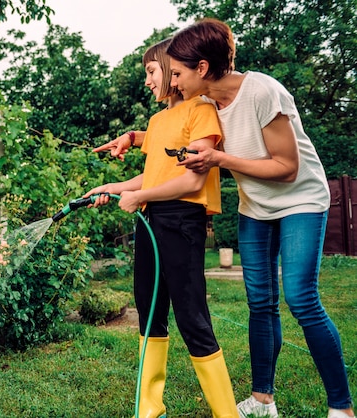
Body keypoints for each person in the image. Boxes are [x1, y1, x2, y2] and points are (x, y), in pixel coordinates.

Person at [96, 18, 355, 418]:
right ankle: (263, 399)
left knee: (300, 298)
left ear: (202, 69)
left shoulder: (264, 91)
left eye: (177, 72)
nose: (173, 81)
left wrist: (218, 159)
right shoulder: (206, 103)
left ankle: (341, 406)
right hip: (256, 205)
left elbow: (287, 167)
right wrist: (133, 138)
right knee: (260, 303)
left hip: (301, 199)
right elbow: (175, 134)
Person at [86, 38, 239, 418]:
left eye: (152, 72)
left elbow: (191, 182)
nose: (149, 81)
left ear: (174, 71)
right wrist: (115, 188)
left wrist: (140, 197)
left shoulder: (201, 111)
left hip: (183, 220)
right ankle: (149, 409)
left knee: (191, 317)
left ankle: (227, 413)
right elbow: (152, 173)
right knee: (149, 310)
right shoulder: (156, 121)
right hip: (153, 221)